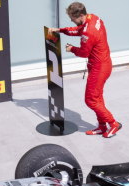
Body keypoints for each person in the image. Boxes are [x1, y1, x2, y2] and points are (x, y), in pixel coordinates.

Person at [49, 2, 122, 138]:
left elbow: (83, 53)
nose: (71, 20)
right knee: (97, 98)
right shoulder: (93, 18)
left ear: (81, 15)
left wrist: (72, 49)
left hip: (99, 68)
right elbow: (78, 30)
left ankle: (113, 123)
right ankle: (102, 127)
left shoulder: (89, 31)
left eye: (72, 18)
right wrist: (60, 30)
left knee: (90, 100)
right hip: (102, 64)